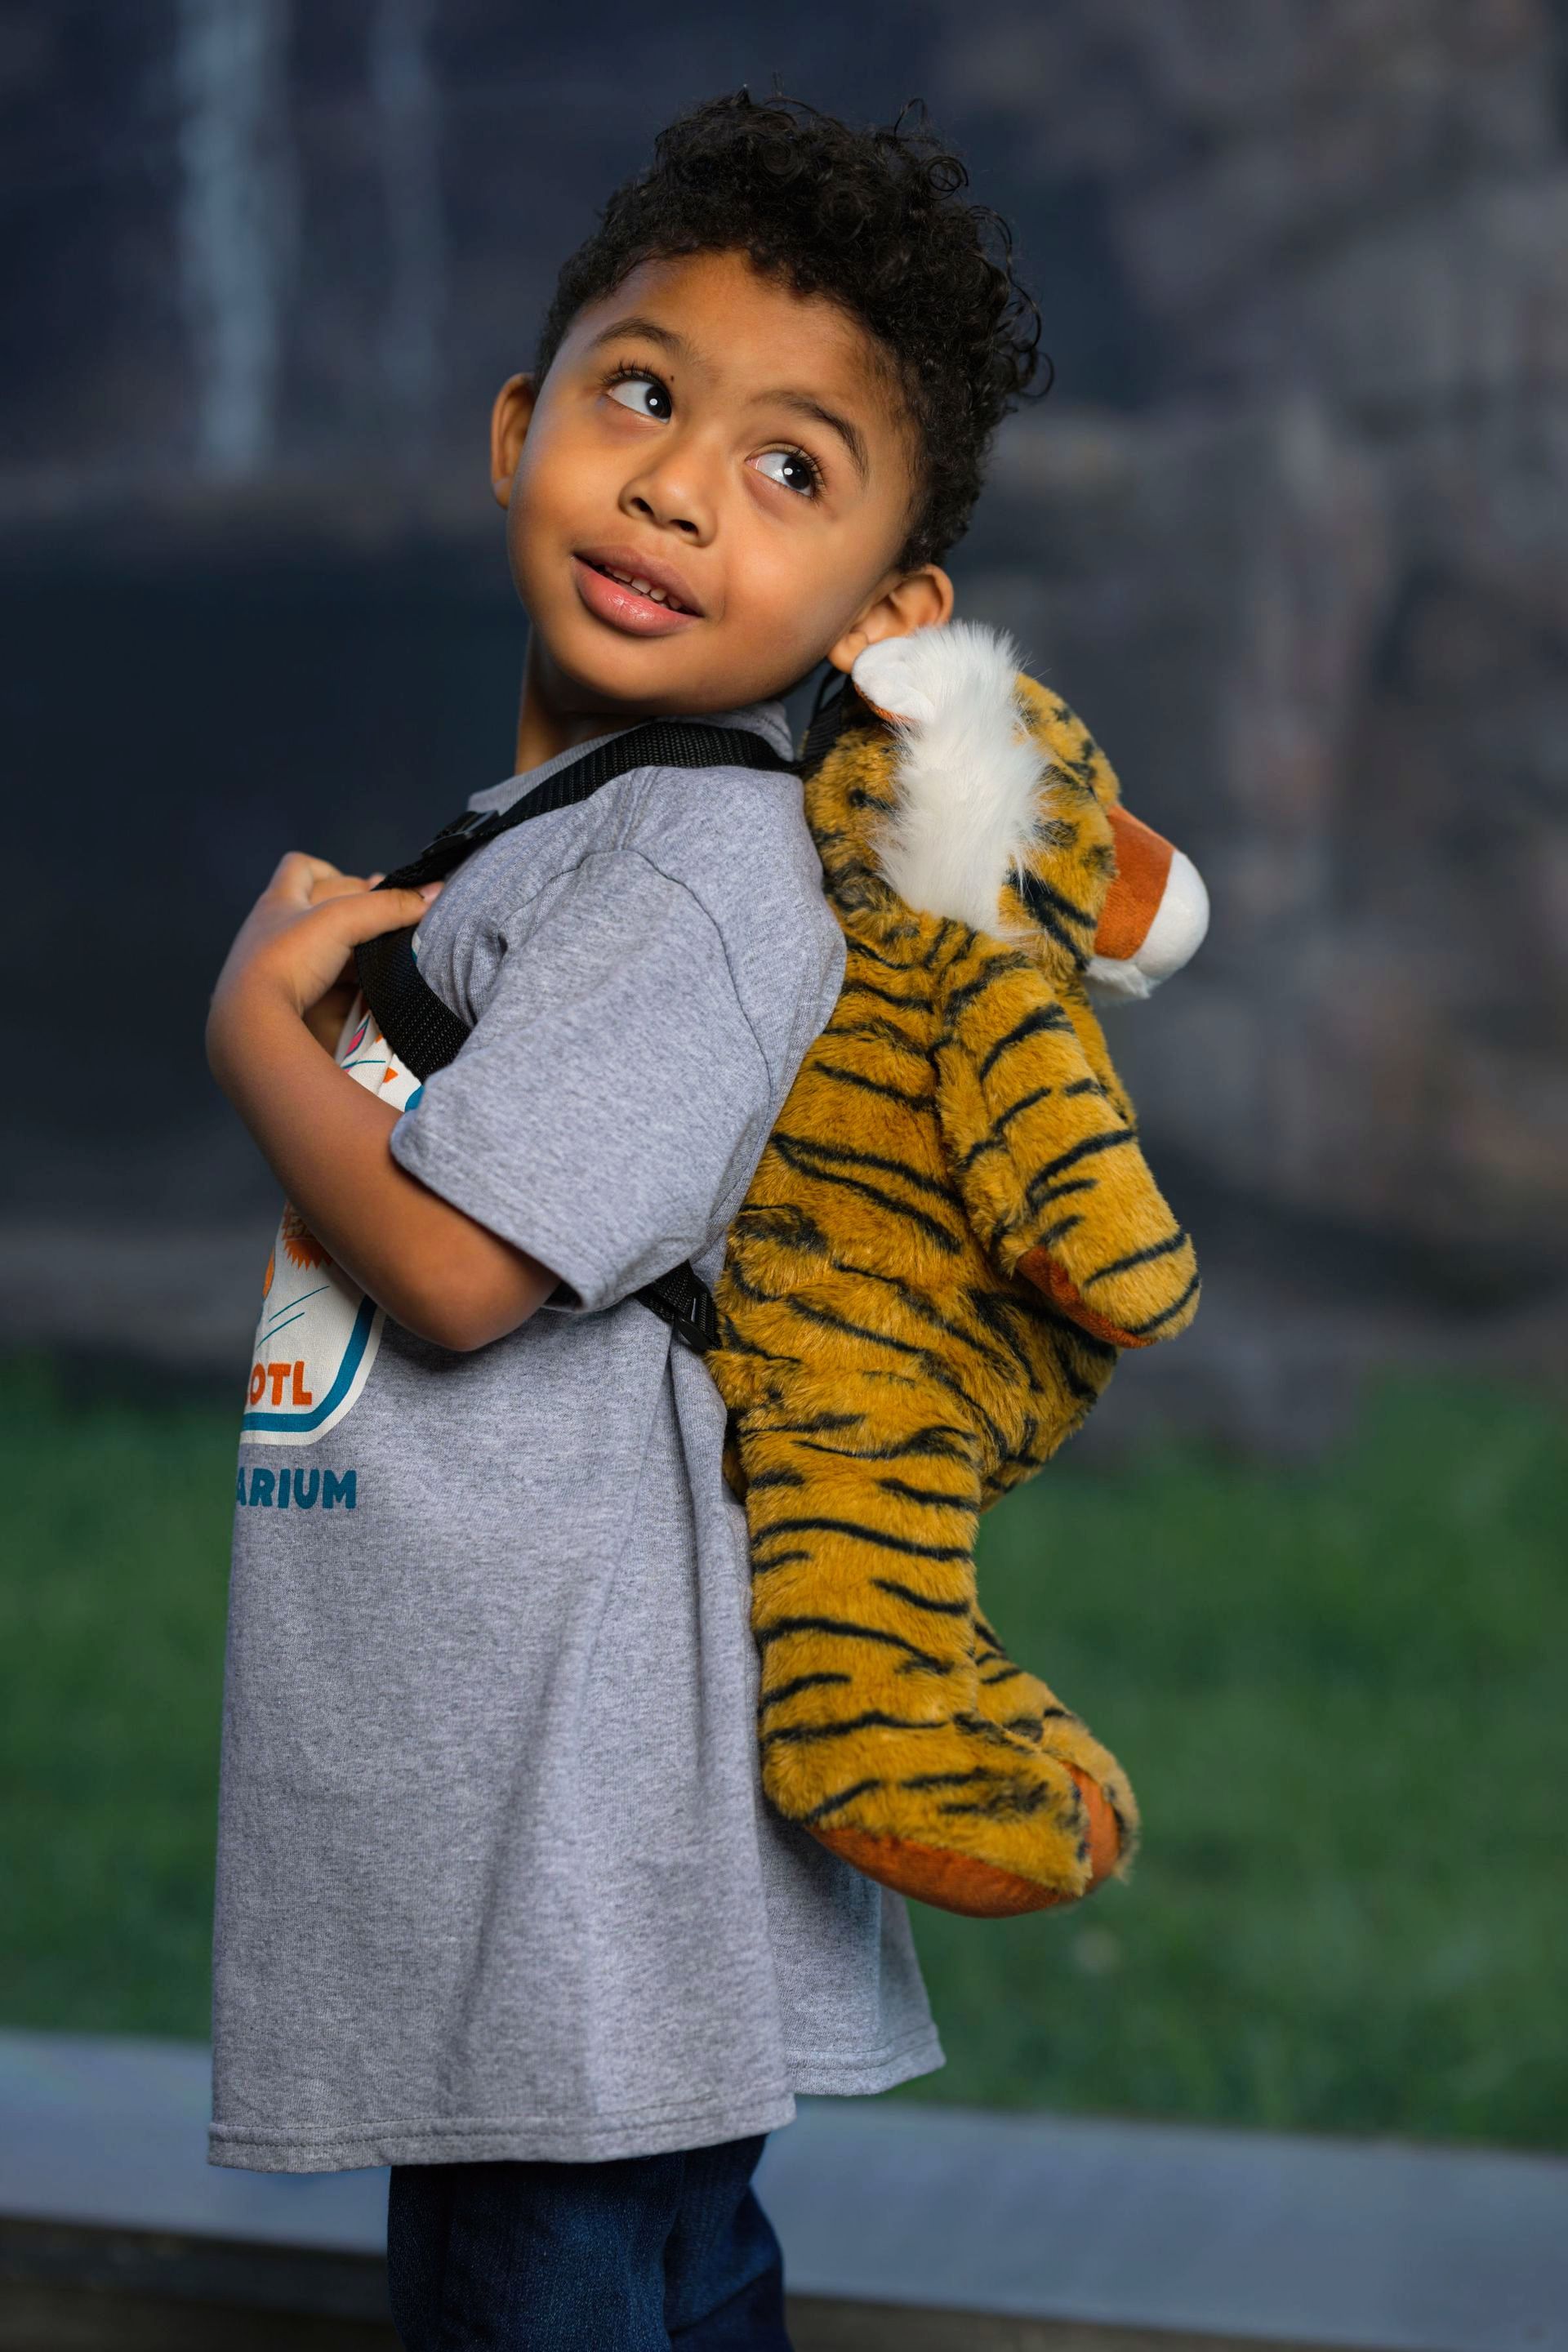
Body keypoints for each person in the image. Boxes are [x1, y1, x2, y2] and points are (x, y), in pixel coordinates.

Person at [203, 90, 1045, 2350]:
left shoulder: (689, 869)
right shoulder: (546, 839)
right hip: (507, 1822)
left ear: (889, 619)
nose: (680, 482)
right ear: (523, 423)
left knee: (543, 2296)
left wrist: (255, 1028)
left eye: (791, 467)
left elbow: (467, 1275)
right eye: (643, 395)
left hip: (573, 1843)